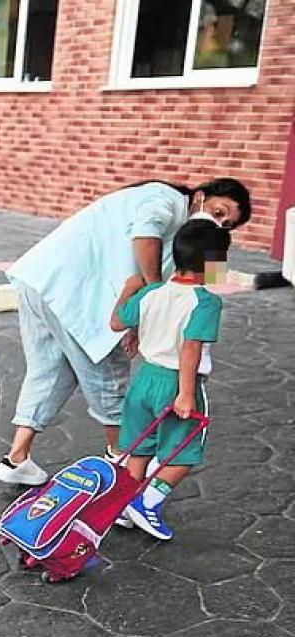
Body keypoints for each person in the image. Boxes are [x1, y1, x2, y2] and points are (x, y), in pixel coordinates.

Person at [0, 178, 250, 486]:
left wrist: (143, 308)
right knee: (108, 380)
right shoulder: (166, 198)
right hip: (74, 292)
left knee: (48, 371)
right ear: (199, 196)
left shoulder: (186, 239)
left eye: (226, 224)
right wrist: (153, 293)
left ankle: (17, 458)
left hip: (41, 279)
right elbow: (146, 233)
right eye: (218, 211)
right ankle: (123, 468)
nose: (218, 222)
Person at [109, 220, 227, 540]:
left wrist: (128, 289)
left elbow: (117, 322)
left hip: (144, 379)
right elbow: (190, 348)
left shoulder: (151, 292)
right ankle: (147, 502)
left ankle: (124, 504)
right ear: (213, 263)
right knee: (184, 451)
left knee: (140, 448)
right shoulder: (206, 301)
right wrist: (186, 394)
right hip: (176, 382)